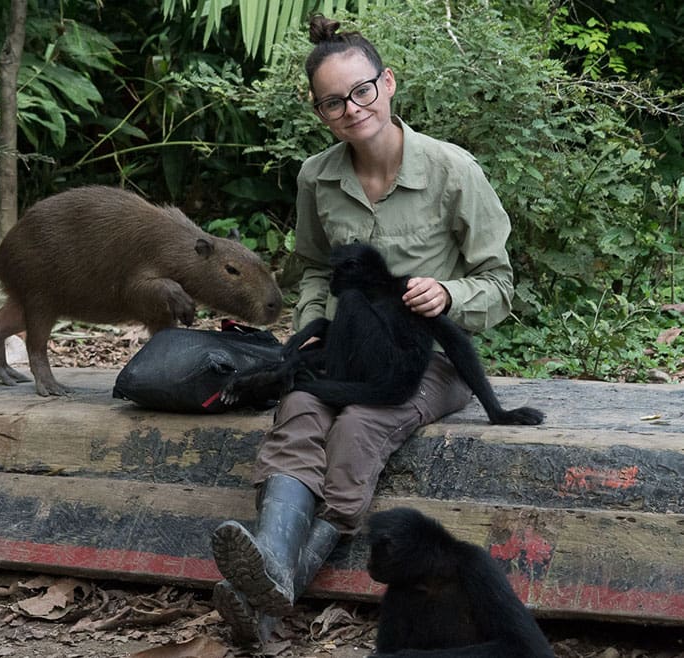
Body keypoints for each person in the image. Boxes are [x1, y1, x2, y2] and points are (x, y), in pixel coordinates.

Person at [209, 15, 517, 645]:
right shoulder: (316, 178)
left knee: (357, 425)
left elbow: (500, 283)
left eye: (362, 91)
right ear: (318, 109)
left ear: (389, 83)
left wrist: (450, 293)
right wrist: (312, 328)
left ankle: (275, 586)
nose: (351, 109)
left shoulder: (453, 171)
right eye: (333, 101)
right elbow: (317, 271)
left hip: (427, 363)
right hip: (347, 352)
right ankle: (272, 569)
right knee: (298, 406)